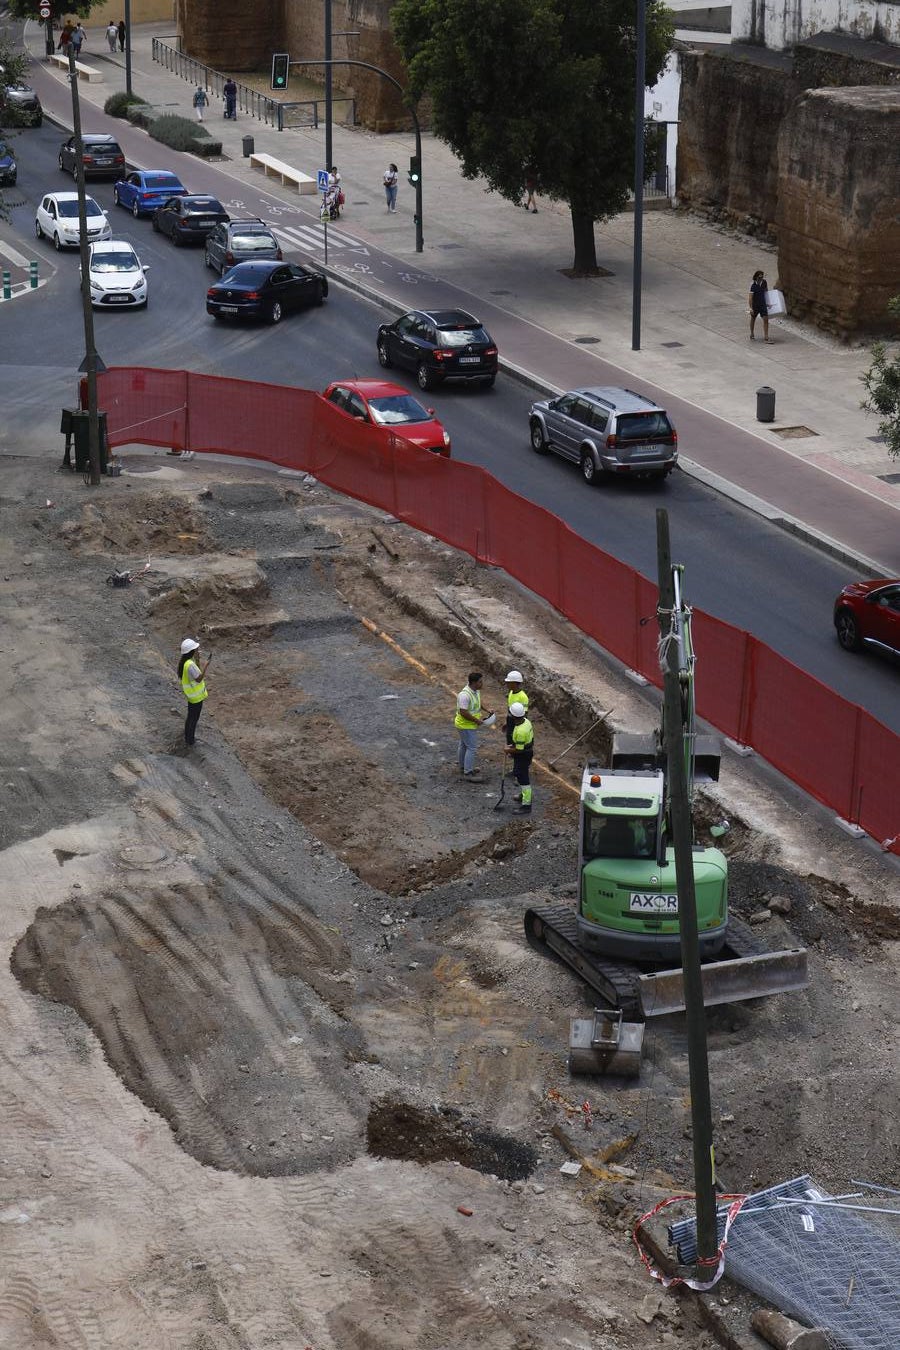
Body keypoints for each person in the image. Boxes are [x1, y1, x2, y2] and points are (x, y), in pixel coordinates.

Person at [455, 671, 493, 782]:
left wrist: (486, 710)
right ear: (473, 683)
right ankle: (468, 772)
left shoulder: (475, 691)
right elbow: (463, 712)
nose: (482, 684)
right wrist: (477, 721)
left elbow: (478, 702)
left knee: (463, 745)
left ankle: (463, 767)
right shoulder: (464, 695)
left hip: (467, 725)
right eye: (480, 682)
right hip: (465, 725)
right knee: (471, 748)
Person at [178, 638, 211, 747]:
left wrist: (197, 660)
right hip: (196, 698)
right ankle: (190, 741)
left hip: (191, 696)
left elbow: (195, 673)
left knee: (190, 717)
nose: (198, 650)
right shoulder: (190, 665)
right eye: (196, 649)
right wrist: (206, 665)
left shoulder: (186, 663)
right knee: (193, 719)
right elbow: (199, 678)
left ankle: (188, 737)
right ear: (191, 651)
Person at [505, 702, 534, 813]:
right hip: (527, 753)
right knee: (520, 774)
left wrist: (508, 750)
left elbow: (519, 750)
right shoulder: (526, 722)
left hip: (523, 755)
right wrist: (512, 745)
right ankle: (523, 795)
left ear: (513, 716)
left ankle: (526, 805)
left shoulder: (521, 731)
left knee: (523, 779)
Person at [503, 669, 529, 774]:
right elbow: (510, 709)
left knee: (518, 748)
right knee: (511, 746)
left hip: (518, 725)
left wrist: (517, 728)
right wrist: (507, 723)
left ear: (515, 683)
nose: (507, 684)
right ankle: (515, 769)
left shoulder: (523, 697)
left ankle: (519, 771)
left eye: (509, 682)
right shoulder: (511, 693)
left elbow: (524, 715)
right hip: (511, 722)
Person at [749, 269, 773, 343]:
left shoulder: (764, 282)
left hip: (763, 304)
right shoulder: (753, 285)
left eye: (762, 277)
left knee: (766, 319)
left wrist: (768, 303)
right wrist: (750, 308)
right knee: (753, 319)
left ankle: (766, 337)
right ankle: (752, 333)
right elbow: (750, 298)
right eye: (759, 277)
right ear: (756, 277)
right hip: (755, 305)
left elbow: (766, 292)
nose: (761, 279)